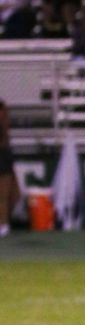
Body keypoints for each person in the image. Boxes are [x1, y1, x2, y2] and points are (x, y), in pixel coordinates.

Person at [0, 99, 21, 236]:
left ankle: (4, 223)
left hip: (4, 155)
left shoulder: (3, 114)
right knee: (3, 196)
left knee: (13, 194)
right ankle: (3, 224)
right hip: (3, 155)